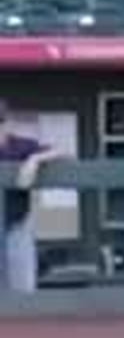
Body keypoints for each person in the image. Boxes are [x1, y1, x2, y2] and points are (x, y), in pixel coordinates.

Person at [0, 98, 60, 294]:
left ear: (6, 123)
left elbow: (60, 151)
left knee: (23, 288)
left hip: (16, 223)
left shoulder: (20, 146)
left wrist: (35, 159)